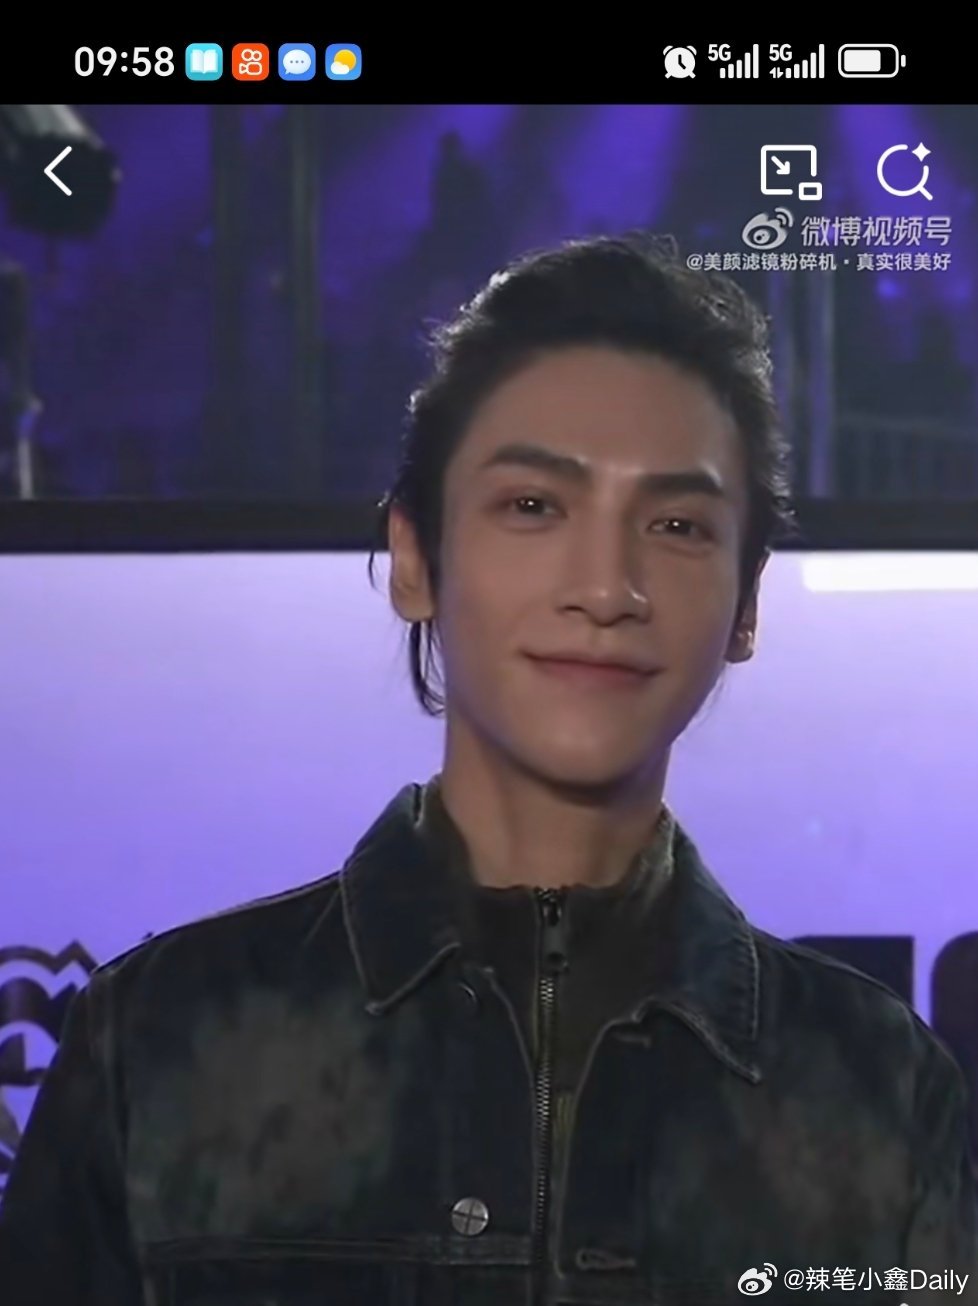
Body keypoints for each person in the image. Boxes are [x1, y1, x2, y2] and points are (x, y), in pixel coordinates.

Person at [0, 233, 974, 1305]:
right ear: (415, 557)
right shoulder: (156, 1042)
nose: (606, 587)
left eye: (678, 524)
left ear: (746, 605)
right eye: (534, 506)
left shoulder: (879, 1089)